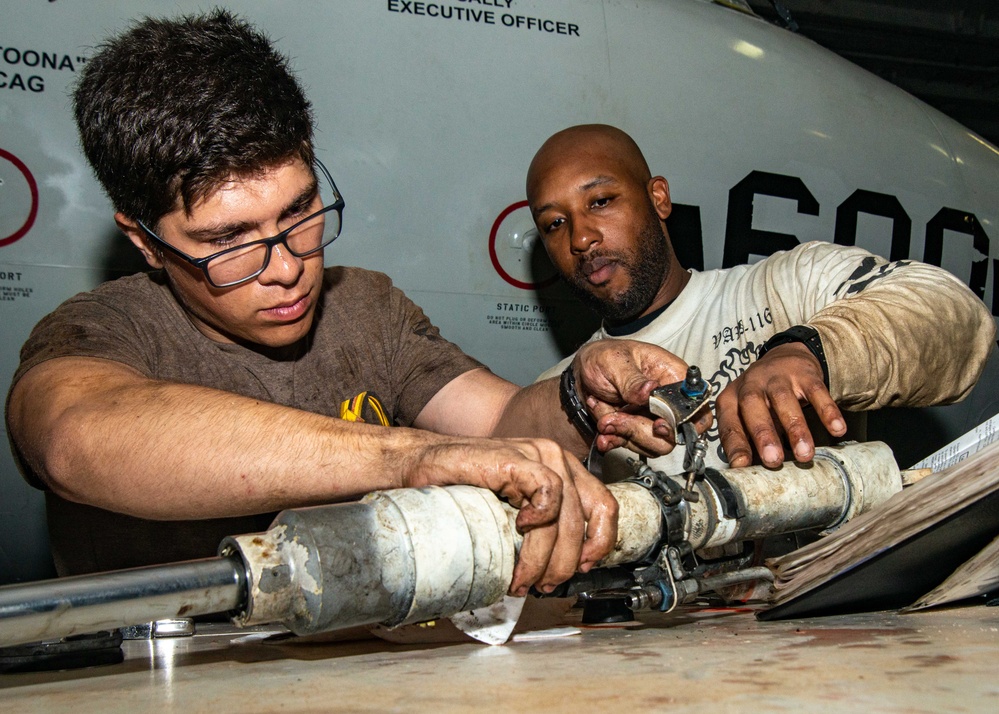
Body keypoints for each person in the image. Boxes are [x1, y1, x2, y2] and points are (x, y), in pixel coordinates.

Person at [3, 16, 690, 597]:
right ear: (144, 242)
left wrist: (579, 390)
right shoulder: (102, 329)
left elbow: (500, 424)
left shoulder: (364, 308)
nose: (288, 266)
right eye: (227, 241)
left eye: (300, 211)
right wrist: (404, 457)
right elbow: (77, 438)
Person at [528, 124, 995, 477]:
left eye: (601, 201)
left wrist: (810, 351)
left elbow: (957, 317)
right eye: (554, 223)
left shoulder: (787, 286)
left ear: (658, 198)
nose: (582, 237)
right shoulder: (561, 397)